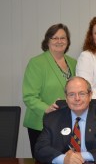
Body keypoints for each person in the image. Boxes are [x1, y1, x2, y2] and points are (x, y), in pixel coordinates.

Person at [34, 76, 96, 164]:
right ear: (66, 98)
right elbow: (40, 148)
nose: (77, 98)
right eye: (72, 94)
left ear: (90, 95)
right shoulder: (52, 118)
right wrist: (64, 159)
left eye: (82, 93)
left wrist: (82, 156)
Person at [22, 23, 77, 157]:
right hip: (41, 125)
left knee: (67, 159)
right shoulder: (37, 63)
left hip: (67, 124)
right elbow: (29, 96)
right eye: (55, 38)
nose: (59, 41)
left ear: (68, 41)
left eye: (63, 38)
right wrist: (46, 109)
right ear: (47, 41)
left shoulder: (73, 63)